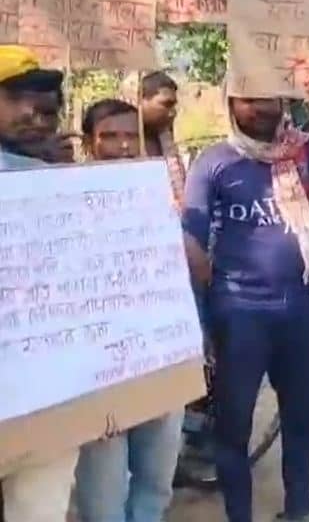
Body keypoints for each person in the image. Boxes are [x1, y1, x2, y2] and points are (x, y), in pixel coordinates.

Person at [182, 95, 309, 522]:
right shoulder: (213, 163)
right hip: (238, 312)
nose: (261, 109)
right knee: (234, 425)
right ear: (230, 103)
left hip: (300, 308)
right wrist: (203, 320)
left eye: (270, 99)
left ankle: (300, 507)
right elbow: (192, 242)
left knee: (303, 416)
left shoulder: (304, 151)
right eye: (250, 100)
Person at [72, 98, 185, 522]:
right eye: (109, 137)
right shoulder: (64, 203)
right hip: (97, 374)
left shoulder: (160, 197)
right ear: (88, 143)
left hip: (160, 361)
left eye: (130, 137)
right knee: (104, 495)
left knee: (156, 483)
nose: (121, 147)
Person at [0, 45, 77, 522]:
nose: (38, 112)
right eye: (16, 97)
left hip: (48, 397)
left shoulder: (71, 186)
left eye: (46, 101)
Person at [138, 71, 185, 204]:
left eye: (174, 105)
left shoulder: (164, 139)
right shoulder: (124, 143)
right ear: (141, 100)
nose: (173, 112)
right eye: (166, 104)